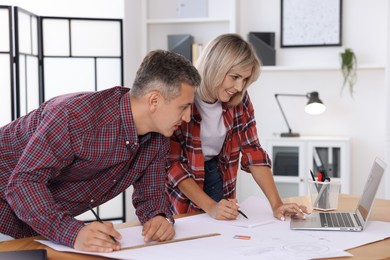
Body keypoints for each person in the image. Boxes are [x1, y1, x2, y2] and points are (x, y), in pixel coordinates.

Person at [0, 50, 201, 252]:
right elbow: (23, 184)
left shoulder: (159, 137)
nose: (187, 117)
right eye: (183, 107)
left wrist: (159, 218)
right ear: (154, 101)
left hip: (36, 223)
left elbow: (151, 195)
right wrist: (74, 233)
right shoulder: (74, 117)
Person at [166, 34, 308, 221]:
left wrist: (277, 204)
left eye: (245, 79)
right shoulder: (182, 94)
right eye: (235, 77)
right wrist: (211, 207)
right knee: (186, 231)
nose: (240, 87)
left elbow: (253, 151)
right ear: (215, 67)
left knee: (222, 232)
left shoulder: (239, 99)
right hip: (181, 181)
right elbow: (173, 165)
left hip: (215, 172)